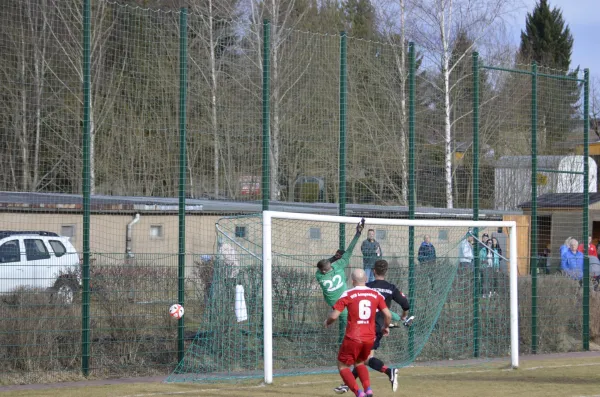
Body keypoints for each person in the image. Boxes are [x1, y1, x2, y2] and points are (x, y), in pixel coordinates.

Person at [334, 259, 410, 394]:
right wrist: (403, 316)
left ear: (373, 271)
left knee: (364, 359)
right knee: (362, 359)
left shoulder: (366, 287)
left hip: (365, 327)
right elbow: (405, 304)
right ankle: (349, 384)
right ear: (386, 272)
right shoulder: (391, 288)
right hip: (378, 326)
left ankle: (388, 372)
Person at [325, 269, 392, 397]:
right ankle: (368, 390)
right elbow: (388, 315)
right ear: (366, 279)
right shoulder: (376, 294)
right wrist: (385, 326)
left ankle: (359, 394)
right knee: (360, 362)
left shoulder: (348, 294)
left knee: (343, 366)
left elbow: (334, 316)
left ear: (352, 281)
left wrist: (327, 322)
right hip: (369, 337)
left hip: (353, 337)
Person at [316, 219, 365, 343]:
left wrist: (333, 257)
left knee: (350, 328)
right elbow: (349, 250)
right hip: (349, 300)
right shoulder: (338, 266)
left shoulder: (319, 276)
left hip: (339, 307)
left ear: (322, 271)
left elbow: (324, 266)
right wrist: (358, 234)